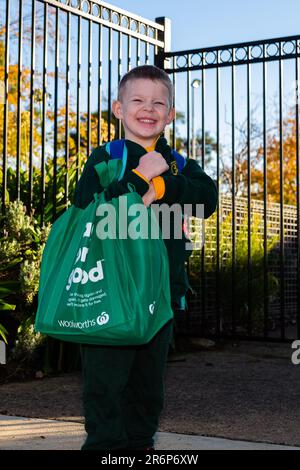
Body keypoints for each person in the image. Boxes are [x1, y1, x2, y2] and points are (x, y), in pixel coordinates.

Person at [73, 65, 217, 451]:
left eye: (158, 102)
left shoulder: (182, 166)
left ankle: (139, 448)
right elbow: (87, 209)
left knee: (147, 390)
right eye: (137, 100)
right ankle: (103, 450)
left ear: (170, 114)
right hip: (107, 292)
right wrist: (138, 180)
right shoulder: (104, 159)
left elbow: (208, 201)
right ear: (119, 109)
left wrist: (165, 183)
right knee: (104, 388)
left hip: (160, 295)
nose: (148, 108)